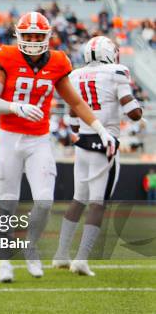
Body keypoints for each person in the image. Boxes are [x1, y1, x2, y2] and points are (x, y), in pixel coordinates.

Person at [0, 12, 116, 283]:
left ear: (47, 37)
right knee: (8, 202)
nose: (32, 40)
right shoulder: (5, 57)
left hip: (39, 140)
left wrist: (102, 129)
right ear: (18, 36)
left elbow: (76, 103)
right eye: (27, 35)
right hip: (9, 138)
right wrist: (14, 106)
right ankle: (4, 262)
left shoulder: (57, 61)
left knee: (44, 200)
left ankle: (31, 247)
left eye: (37, 36)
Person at [53, 36, 143, 276]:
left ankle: (61, 254)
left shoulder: (75, 75)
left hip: (82, 143)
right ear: (108, 53)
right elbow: (131, 110)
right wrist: (138, 111)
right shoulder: (117, 72)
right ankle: (81, 259)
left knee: (78, 199)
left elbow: (72, 117)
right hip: (105, 145)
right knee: (97, 203)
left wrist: (82, 131)